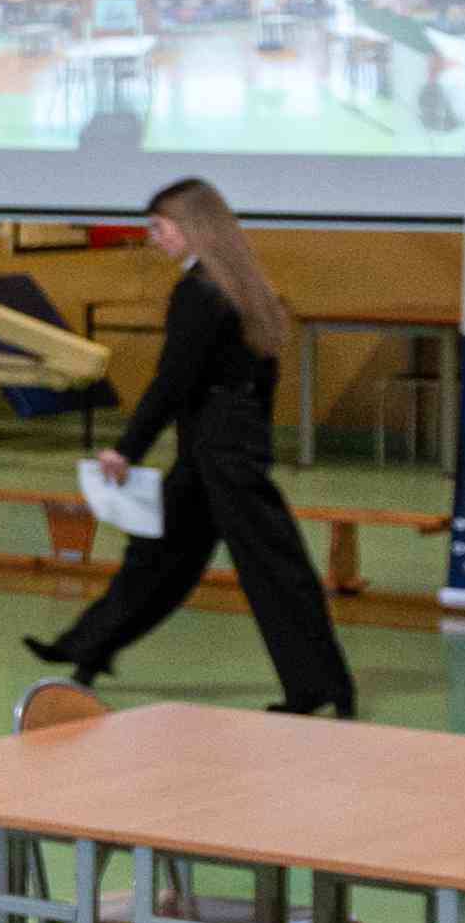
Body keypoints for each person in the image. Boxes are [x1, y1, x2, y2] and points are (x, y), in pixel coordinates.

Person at [31, 176, 356, 716]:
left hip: (219, 453)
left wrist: (126, 450)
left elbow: (171, 381)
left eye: (159, 227)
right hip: (223, 446)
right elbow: (258, 378)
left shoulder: (199, 292)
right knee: (158, 557)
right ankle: (86, 650)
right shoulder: (241, 286)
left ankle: (322, 687)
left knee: (272, 570)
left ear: (190, 227)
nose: (153, 237)